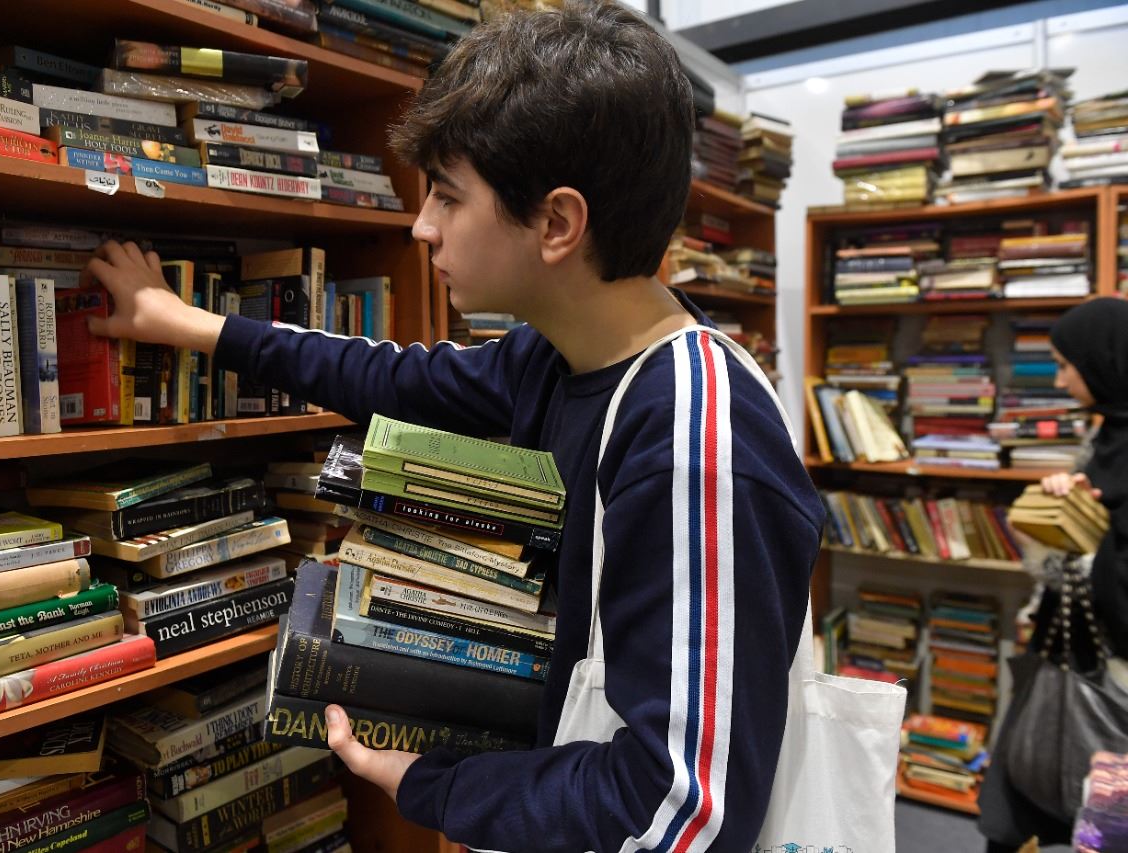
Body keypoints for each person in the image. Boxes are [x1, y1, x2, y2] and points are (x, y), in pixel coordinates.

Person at [81, 4, 823, 850]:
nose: (420, 225)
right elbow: (395, 378)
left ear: (557, 224)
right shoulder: (556, 356)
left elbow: (684, 810)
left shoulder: (692, 442)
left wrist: (436, 785)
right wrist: (192, 325)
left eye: (447, 194)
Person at [978, 297, 1128, 852]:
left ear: (1103, 362)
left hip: (1114, 675)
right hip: (1065, 656)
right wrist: (1067, 510)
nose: (1061, 382)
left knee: (1104, 823)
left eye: (1067, 366)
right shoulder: (1106, 437)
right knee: (1023, 796)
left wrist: (1089, 544)